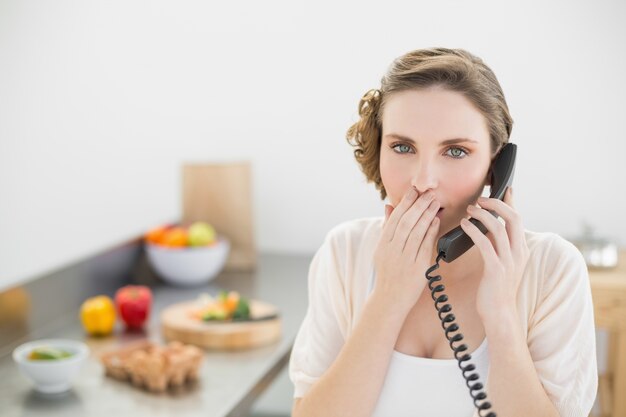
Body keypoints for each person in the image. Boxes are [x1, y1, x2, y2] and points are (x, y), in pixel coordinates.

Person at [289, 47, 598, 417]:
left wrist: (501, 314)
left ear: (496, 166)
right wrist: (388, 296)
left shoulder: (552, 268)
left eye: (455, 151)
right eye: (402, 147)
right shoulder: (345, 252)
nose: (423, 180)